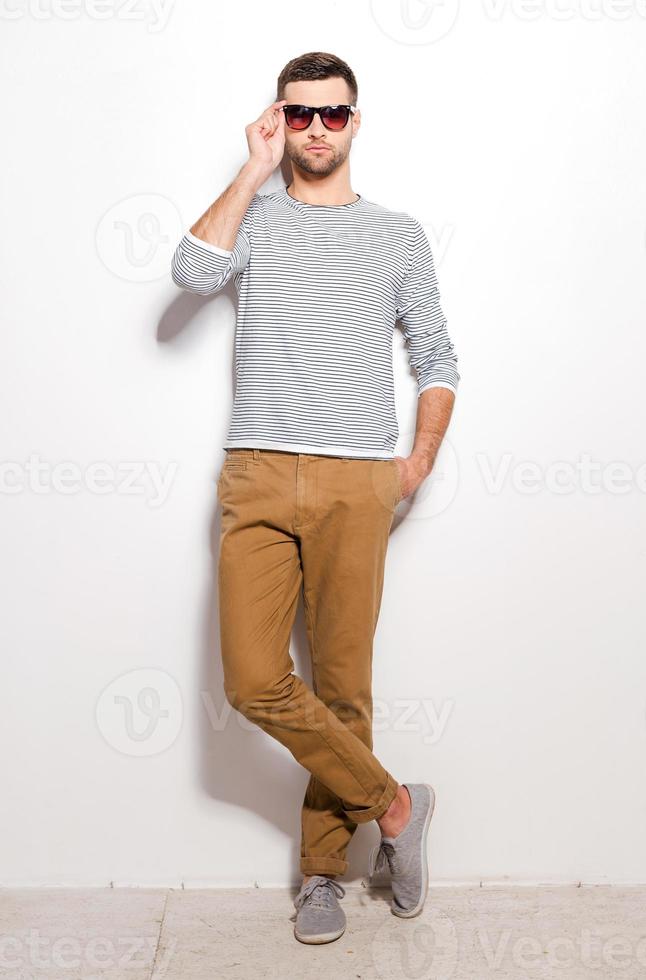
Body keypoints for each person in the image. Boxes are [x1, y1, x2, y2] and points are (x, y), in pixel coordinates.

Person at [171, 51, 460, 945]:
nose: (318, 130)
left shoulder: (398, 234)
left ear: (356, 120)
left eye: (333, 115)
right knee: (255, 677)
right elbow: (188, 274)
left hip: (355, 477)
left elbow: (438, 360)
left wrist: (412, 463)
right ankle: (397, 807)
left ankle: (323, 873)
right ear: (278, 120)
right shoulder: (252, 215)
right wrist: (251, 168)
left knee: (343, 685)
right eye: (300, 116)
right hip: (256, 469)